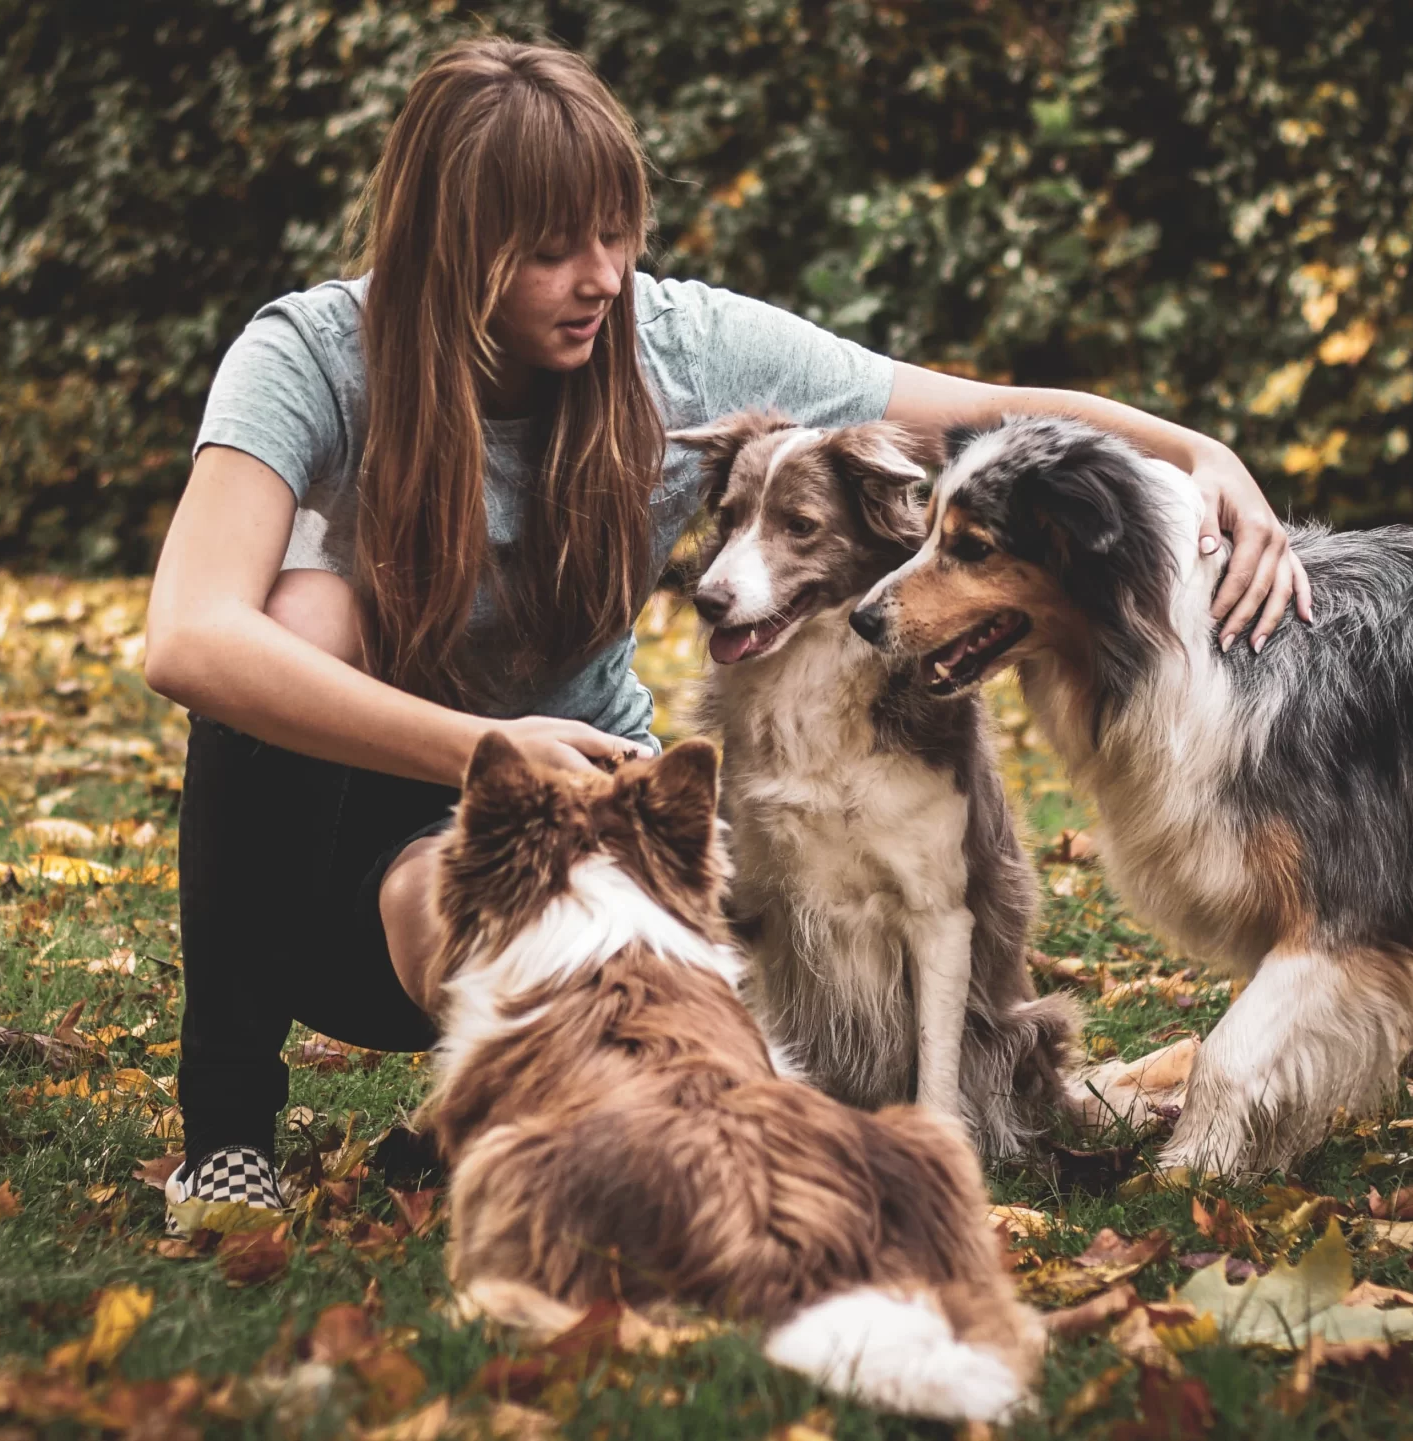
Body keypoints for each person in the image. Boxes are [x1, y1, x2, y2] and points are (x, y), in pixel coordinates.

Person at [142, 37, 1310, 1219]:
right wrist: (480, 753)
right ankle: (228, 1134)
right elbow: (187, 636)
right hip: (318, 852)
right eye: (551, 250)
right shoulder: (310, 357)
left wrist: (1200, 454)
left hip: (568, 831)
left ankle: (517, 1099)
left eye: (616, 233)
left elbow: (972, 409)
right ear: (447, 248)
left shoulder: (673, 347)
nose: (601, 276)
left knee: (595, 1062)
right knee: (297, 606)